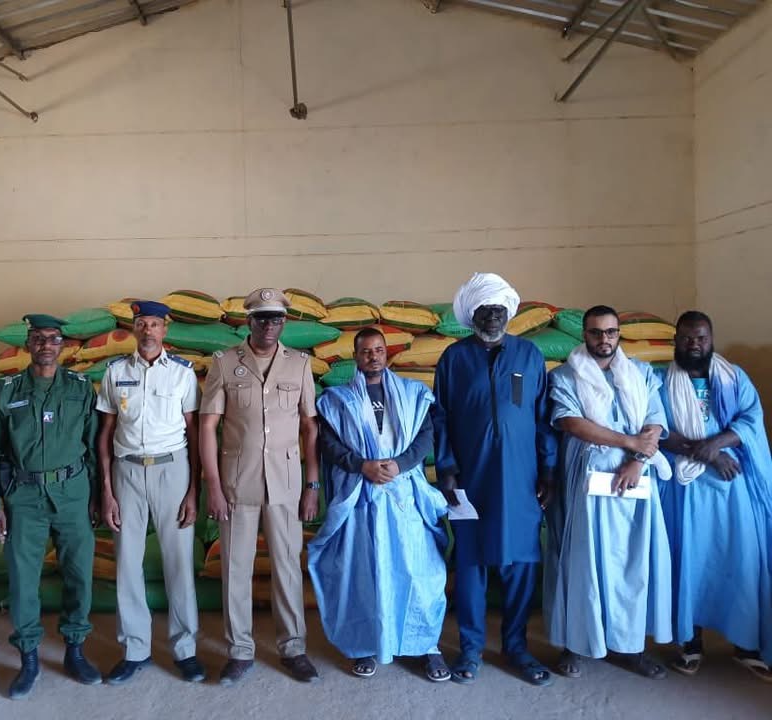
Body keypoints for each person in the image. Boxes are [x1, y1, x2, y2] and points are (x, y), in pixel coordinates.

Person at [432, 272, 556, 687]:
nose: (492, 316)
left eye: (498, 309)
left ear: (509, 312)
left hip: (522, 478)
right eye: (484, 310)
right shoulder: (454, 358)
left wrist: (548, 469)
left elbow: (542, 417)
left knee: (521, 562)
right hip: (470, 477)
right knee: (471, 563)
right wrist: (447, 468)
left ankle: (517, 647)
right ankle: (470, 649)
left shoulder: (529, 356)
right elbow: (441, 417)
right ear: (472, 315)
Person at [309, 328, 450, 681]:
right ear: (355, 356)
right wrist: (362, 466)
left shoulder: (413, 393)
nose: (373, 356)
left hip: (405, 496)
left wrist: (400, 464)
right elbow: (329, 444)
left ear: (387, 353)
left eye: (378, 350)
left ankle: (425, 645)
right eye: (366, 351)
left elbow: (425, 436)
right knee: (363, 572)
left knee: (418, 571)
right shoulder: (337, 399)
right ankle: (364, 645)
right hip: (361, 497)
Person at [198, 288, 320, 686]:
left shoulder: (299, 364)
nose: (270, 325)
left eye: (277, 319)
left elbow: (310, 427)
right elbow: (208, 426)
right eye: (262, 318)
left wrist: (312, 484)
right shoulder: (224, 363)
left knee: (287, 566)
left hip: (285, 483)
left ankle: (294, 648)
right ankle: (239, 650)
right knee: (236, 568)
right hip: (238, 482)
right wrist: (213, 486)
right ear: (248, 321)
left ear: (285, 323)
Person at [545, 305, 672, 680]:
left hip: (635, 479)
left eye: (611, 332)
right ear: (584, 334)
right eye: (596, 332)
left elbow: (654, 422)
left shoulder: (641, 372)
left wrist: (637, 460)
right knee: (583, 561)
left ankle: (630, 647)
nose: (604, 339)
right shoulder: (565, 375)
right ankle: (576, 644)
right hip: (587, 479)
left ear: (619, 334)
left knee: (632, 565)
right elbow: (572, 422)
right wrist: (629, 442)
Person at [0, 314, 101, 699]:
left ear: (63, 345)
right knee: (22, 578)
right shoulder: (7, 390)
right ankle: (29, 657)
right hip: (24, 496)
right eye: (38, 338)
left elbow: (94, 446)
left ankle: (75, 650)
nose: (46, 345)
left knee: (79, 574)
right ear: (27, 344)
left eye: (53, 338)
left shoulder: (81, 387)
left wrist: (97, 496)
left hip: (73, 492)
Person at [658, 311, 772, 681]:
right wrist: (707, 453)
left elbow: (751, 419)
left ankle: (746, 646)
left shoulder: (733, 377)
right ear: (676, 340)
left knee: (741, 560)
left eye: (701, 338)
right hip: (685, 488)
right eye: (687, 338)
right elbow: (656, 429)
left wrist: (719, 443)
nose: (694, 344)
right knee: (688, 561)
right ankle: (690, 643)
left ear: (711, 339)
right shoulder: (658, 380)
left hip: (731, 487)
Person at [97, 301, 204, 684]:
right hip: (126, 471)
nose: (148, 330)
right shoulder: (115, 372)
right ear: (134, 329)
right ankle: (135, 648)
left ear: (164, 330)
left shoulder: (182, 373)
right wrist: (107, 490)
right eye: (141, 323)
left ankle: (185, 649)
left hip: (171, 470)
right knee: (127, 562)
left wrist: (193, 490)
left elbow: (194, 433)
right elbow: (105, 433)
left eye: (154, 324)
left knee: (179, 562)